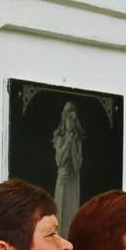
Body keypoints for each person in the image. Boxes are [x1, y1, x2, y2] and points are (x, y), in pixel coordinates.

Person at [53, 101, 84, 236]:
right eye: (70, 118)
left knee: (72, 212)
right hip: (63, 178)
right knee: (61, 212)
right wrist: (67, 143)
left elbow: (77, 166)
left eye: (74, 119)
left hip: (73, 179)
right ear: (64, 118)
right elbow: (59, 161)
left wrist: (73, 144)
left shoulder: (77, 141)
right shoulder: (59, 138)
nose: (72, 122)